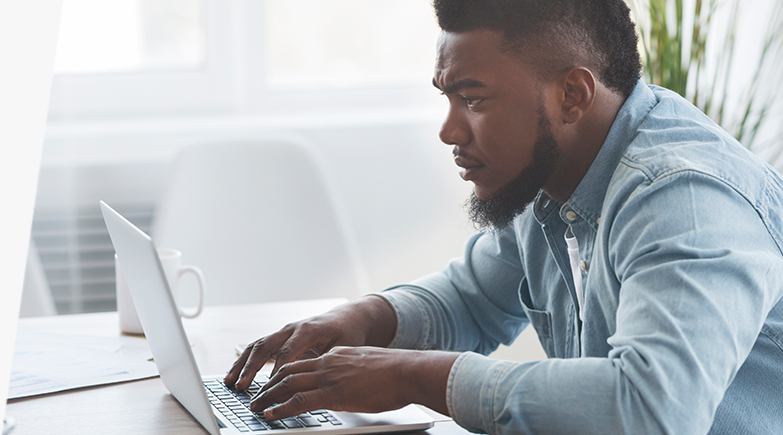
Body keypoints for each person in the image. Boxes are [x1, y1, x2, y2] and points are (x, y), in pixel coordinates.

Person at [224, 0, 783, 433]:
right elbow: (471, 299)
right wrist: (364, 319)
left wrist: (410, 376)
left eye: (474, 99)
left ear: (572, 94)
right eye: (446, 96)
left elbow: (651, 410)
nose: (448, 130)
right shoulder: (551, 174)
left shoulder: (682, 198)